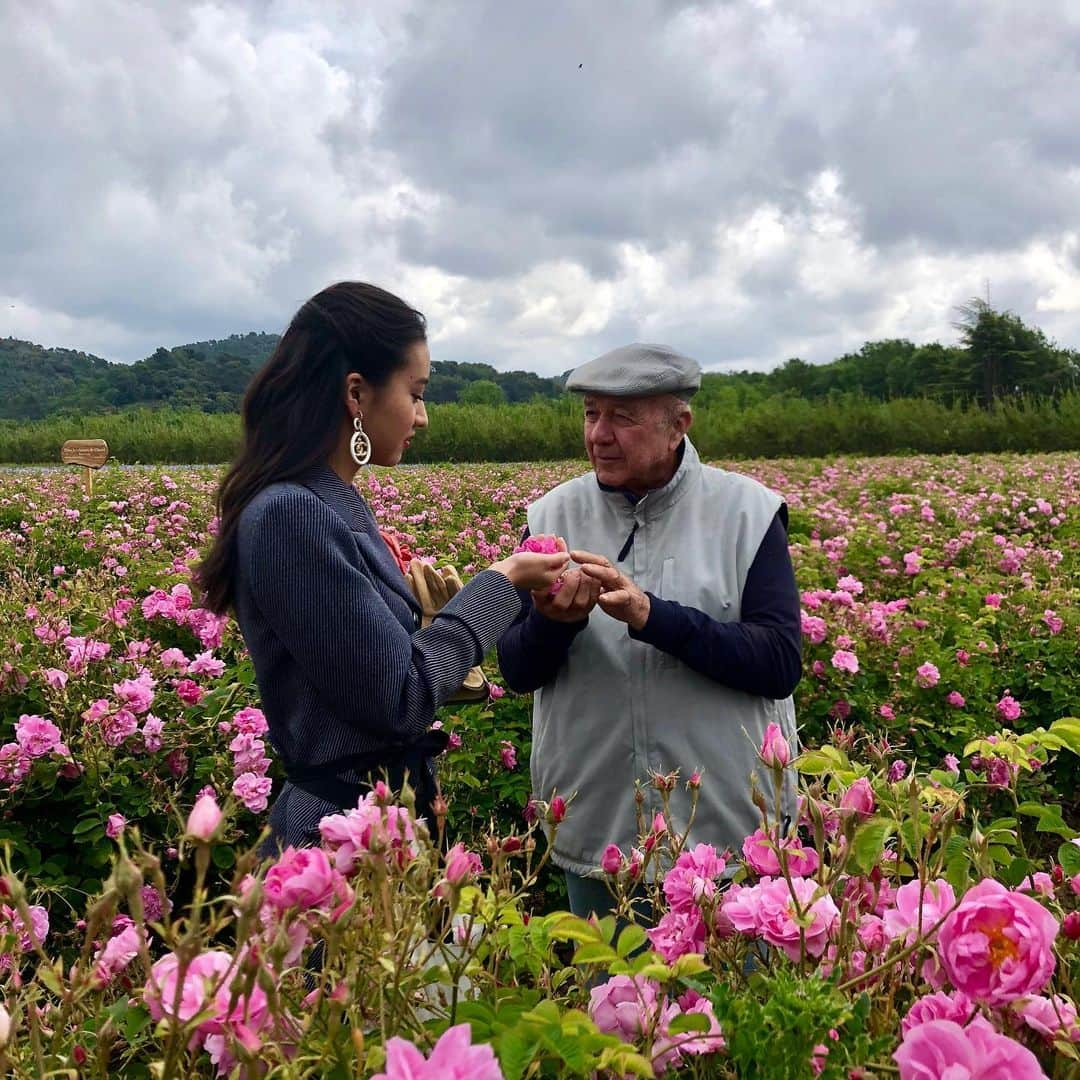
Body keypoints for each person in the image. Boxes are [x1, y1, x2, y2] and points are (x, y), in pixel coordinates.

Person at [197, 282, 568, 852]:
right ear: (356, 393)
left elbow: (372, 675)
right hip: (335, 843)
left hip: (374, 822)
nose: (422, 417)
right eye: (416, 393)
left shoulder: (331, 502)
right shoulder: (292, 514)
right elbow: (399, 699)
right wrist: (500, 585)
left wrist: (424, 626)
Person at [497, 343, 801, 919]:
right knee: (609, 1000)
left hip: (725, 825)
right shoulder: (549, 517)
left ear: (678, 425)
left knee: (732, 1003)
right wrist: (552, 623)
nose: (599, 435)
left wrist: (651, 616)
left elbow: (778, 662)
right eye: (591, 414)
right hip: (597, 825)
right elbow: (517, 670)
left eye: (623, 417)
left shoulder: (747, 514)